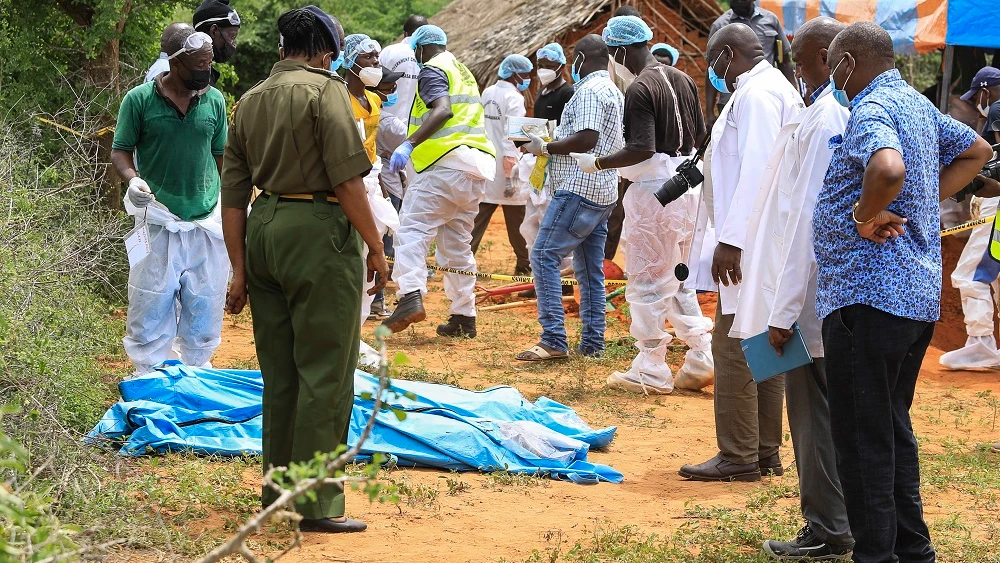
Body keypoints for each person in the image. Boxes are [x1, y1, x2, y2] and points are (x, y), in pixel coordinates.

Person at [814, 21, 991, 563]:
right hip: (911, 298)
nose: (831, 77)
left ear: (847, 63)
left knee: (862, 439)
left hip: (867, 298)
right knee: (890, 427)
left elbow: (887, 167)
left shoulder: (871, 109)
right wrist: (919, 198)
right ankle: (912, 550)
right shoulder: (916, 104)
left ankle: (877, 555)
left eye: (832, 67)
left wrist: (865, 214)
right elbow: (977, 150)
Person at [222, 6, 387, 533]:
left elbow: (231, 197)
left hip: (262, 225)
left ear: (280, 46)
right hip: (318, 231)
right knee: (326, 372)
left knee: (280, 372)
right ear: (325, 50)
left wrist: (239, 271)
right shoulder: (327, 92)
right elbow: (348, 181)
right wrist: (377, 248)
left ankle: (277, 492)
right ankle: (314, 503)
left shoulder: (248, 100)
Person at [728, 17, 854, 560]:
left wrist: (781, 310)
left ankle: (828, 527)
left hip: (804, 299)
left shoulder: (827, 117)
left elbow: (805, 221)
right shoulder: (818, 109)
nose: (796, 71)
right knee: (817, 414)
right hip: (796, 290)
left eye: (800, 60)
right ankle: (831, 521)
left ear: (826, 56)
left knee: (814, 417)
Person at [679, 23, 803, 482]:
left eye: (713, 59)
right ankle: (764, 450)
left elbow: (757, 170)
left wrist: (732, 240)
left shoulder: (756, 96)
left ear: (727, 54)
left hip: (752, 241)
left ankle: (738, 454)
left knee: (732, 346)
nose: (712, 70)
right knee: (763, 341)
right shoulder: (772, 89)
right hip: (765, 239)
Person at [580, 15, 713, 395]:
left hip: (656, 192)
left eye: (611, 53)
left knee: (647, 280)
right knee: (677, 277)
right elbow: (701, 137)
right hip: (686, 185)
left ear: (620, 50)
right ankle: (701, 355)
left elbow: (642, 147)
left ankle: (651, 367)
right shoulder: (682, 77)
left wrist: (601, 162)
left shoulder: (639, 88)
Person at [111, 27, 229, 377]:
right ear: (174, 62)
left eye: (209, 63)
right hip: (157, 219)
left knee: (205, 302)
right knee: (150, 301)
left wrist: (231, 199)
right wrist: (132, 179)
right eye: (197, 65)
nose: (204, 71)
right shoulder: (140, 100)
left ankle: (197, 372)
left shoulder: (215, 101)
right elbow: (120, 151)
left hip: (206, 221)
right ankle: (147, 374)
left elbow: (221, 156)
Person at [382, 25, 496, 338]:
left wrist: (410, 143)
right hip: (473, 169)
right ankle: (463, 316)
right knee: (457, 243)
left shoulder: (432, 70)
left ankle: (409, 296)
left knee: (411, 231)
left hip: (442, 165)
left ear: (420, 49)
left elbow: (442, 110)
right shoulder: (463, 70)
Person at [517, 34, 624, 361]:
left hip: (579, 188)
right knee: (590, 268)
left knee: (543, 256)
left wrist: (545, 147)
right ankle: (592, 342)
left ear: (579, 59)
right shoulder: (612, 89)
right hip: (604, 189)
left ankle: (553, 339)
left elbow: (587, 138)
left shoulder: (589, 91)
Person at [942, 67, 1000, 370]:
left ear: (985, 91)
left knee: (970, 274)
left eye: (978, 96)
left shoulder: (999, 108)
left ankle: (981, 344)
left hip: (996, 206)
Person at [470, 54, 533, 275]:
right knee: (519, 219)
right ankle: (524, 265)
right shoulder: (514, 98)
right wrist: (511, 169)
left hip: (486, 162)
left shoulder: (488, 92)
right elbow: (515, 137)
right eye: (525, 75)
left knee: (478, 215)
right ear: (515, 74)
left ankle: (462, 262)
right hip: (509, 165)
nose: (528, 79)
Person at [706, 0, 793, 128]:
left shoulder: (771, 20)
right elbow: (712, 68)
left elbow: (784, 61)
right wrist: (709, 112)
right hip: (731, 100)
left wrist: (792, 93)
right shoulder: (720, 25)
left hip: (767, 96)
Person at [378, 14, 424, 204]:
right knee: (413, 195)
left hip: (384, 129)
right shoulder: (429, 57)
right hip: (417, 135)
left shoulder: (389, 52)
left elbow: (374, 80)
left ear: (405, 32)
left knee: (389, 192)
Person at [192, 0, 241, 87]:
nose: (234, 44)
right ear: (214, 31)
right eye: (232, 36)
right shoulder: (195, 77)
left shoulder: (206, 72)